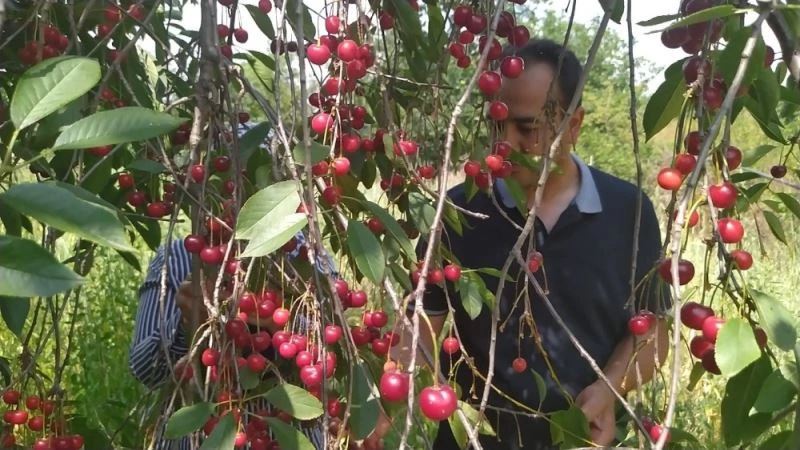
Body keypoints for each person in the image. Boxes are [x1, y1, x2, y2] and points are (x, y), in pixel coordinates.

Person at [365, 38, 671, 449]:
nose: (505, 143)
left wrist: (608, 390)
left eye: (527, 127)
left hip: (585, 440)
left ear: (574, 125)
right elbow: (418, 328)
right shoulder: (460, 213)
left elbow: (652, 333)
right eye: (497, 125)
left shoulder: (629, 212)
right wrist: (380, 408)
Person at [128, 123, 333, 450]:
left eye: (253, 187)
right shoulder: (181, 259)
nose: (237, 196)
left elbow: (331, 360)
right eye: (226, 184)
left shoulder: (307, 257)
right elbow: (146, 370)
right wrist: (187, 325)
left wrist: (281, 322)